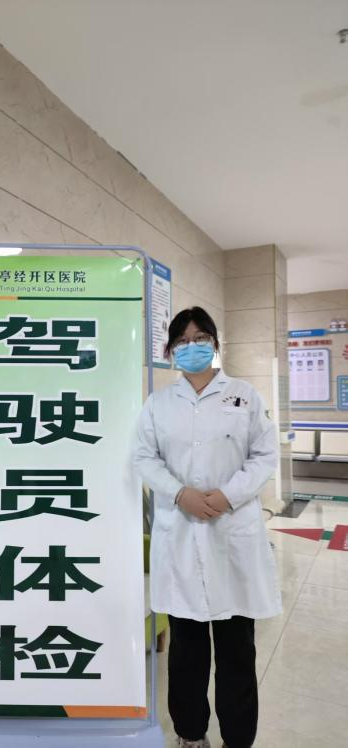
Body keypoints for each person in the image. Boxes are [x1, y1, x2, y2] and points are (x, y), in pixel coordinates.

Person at [133, 306, 281, 748]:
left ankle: (238, 738)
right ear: (169, 351)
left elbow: (264, 456)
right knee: (187, 650)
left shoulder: (244, 396)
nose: (192, 346)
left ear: (215, 344)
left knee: (237, 651)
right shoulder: (159, 403)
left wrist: (227, 495)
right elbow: (144, 457)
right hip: (181, 532)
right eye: (182, 340)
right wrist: (181, 494)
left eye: (201, 338)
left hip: (231, 533)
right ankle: (190, 734)